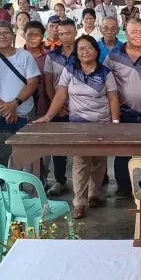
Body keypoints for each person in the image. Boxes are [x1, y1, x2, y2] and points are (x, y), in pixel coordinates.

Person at [34, 35, 120, 216]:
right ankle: (79, 203)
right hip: (78, 124)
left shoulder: (105, 72)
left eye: (89, 48)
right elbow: (60, 95)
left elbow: (113, 98)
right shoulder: (70, 70)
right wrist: (48, 116)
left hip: (102, 124)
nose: (85, 51)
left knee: (98, 161)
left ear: (96, 51)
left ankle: (94, 194)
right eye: (81, 49)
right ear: (76, 53)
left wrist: (115, 123)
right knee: (81, 162)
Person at [105, 18, 141, 199]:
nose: (139, 35)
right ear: (126, 33)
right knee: (122, 153)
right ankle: (124, 187)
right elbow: (104, 82)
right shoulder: (114, 56)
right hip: (123, 113)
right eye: (134, 32)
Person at [0, 21, 41, 165]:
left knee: (28, 157)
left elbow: (32, 83)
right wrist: (6, 108)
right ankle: (0, 187)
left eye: (6, 32)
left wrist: (14, 104)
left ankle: (26, 187)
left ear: (13, 35)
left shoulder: (25, 56)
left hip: (25, 113)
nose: (2, 36)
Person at [42, 18, 79, 195]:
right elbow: (49, 83)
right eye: (61, 33)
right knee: (59, 146)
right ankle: (60, 180)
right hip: (59, 107)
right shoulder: (52, 56)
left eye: (68, 33)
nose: (64, 37)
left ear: (75, 33)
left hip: (80, 108)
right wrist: (56, 105)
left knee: (83, 146)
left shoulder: (83, 53)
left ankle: (94, 181)